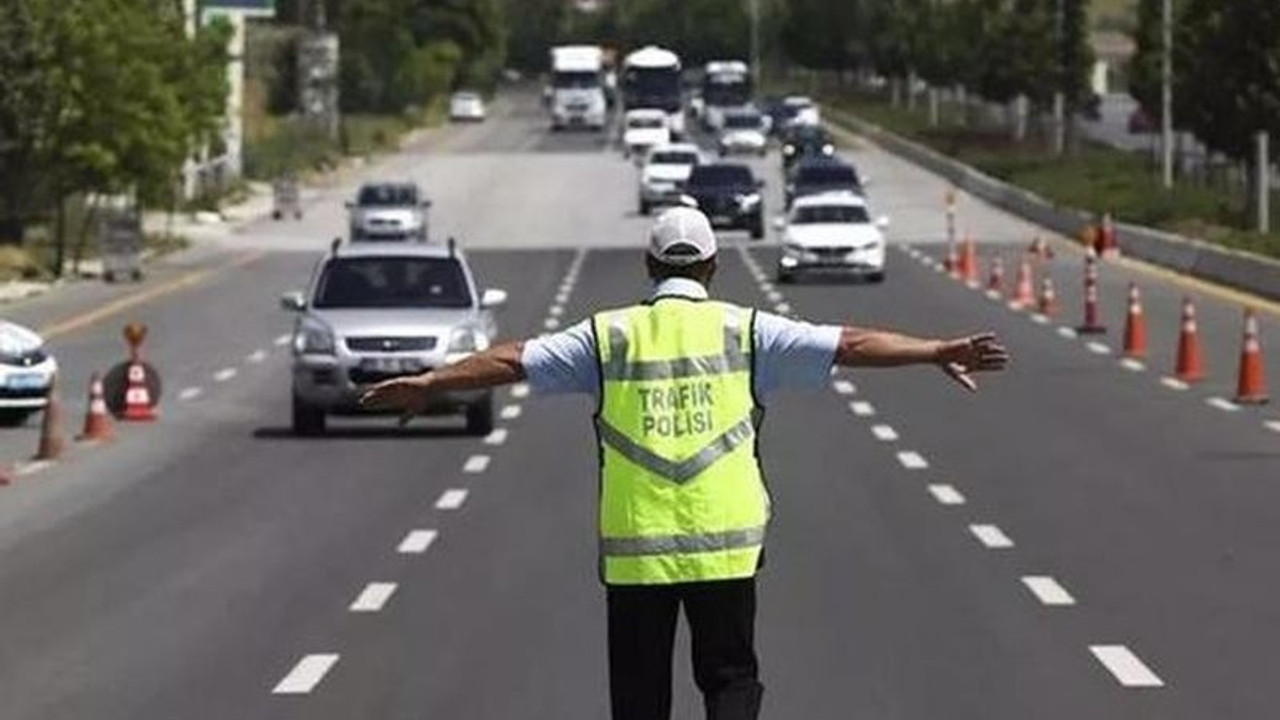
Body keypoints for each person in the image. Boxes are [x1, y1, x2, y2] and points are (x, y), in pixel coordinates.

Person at [360, 206, 1010, 720]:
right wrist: (933, 350)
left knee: (640, 696)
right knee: (730, 679)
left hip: (638, 548)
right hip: (724, 547)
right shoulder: (748, 330)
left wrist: (432, 382)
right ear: (713, 266)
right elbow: (851, 342)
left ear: (648, 264)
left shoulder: (606, 336)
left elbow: (511, 359)